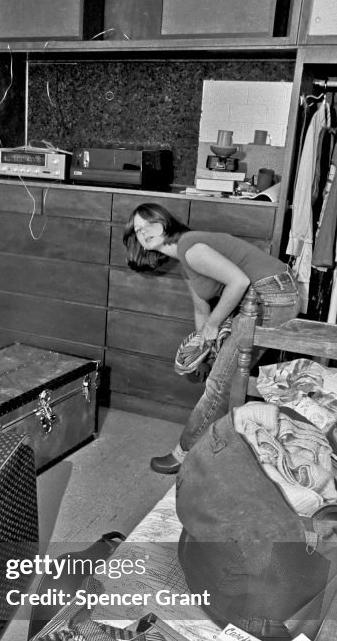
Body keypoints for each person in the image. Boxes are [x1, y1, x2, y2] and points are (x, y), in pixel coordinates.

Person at [123, 203, 300, 474]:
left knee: (219, 384)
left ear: (165, 223)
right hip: (264, 297)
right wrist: (204, 354)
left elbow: (238, 282)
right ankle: (224, 452)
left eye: (149, 223)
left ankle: (184, 453)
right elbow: (200, 308)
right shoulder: (185, 258)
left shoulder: (190, 248)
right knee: (221, 376)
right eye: (137, 229)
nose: (144, 231)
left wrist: (214, 326)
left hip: (272, 297)